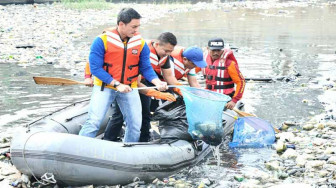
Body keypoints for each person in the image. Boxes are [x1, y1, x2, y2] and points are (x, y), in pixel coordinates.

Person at [79, 8, 168, 143]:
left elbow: (146, 68)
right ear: (121, 24)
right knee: (94, 121)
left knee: (135, 125)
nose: (136, 30)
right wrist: (116, 84)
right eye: (133, 27)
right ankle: (80, 148)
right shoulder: (101, 41)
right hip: (105, 86)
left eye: (138, 26)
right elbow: (95, 68)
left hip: (129, 88)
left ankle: (128, 151)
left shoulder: (140, 43)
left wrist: (157, 82)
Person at [203, 38, 245, 110]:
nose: (216, 53)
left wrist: (234, 101)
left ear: (222, 50)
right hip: (209, 95)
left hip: (225, 97)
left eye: (218, 50)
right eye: (213, 50)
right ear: (208, 49)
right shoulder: (203, 60)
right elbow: (192, 69)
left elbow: (241, 82)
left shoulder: (230, 63)